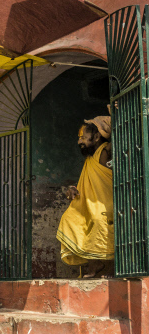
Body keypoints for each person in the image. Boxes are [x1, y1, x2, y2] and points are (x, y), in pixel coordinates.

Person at [57, 116, 114, 277]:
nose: (79, 142)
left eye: (82, 137)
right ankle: (96, 263)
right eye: (79, 138)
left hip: (107, 203)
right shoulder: (91, 158)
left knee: (97, 220)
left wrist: (117, 112)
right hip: (90, 202)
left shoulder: (106, 150)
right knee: (69, 218)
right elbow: (88, 181)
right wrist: (73, 188)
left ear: (96, 137)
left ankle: (103, 266)